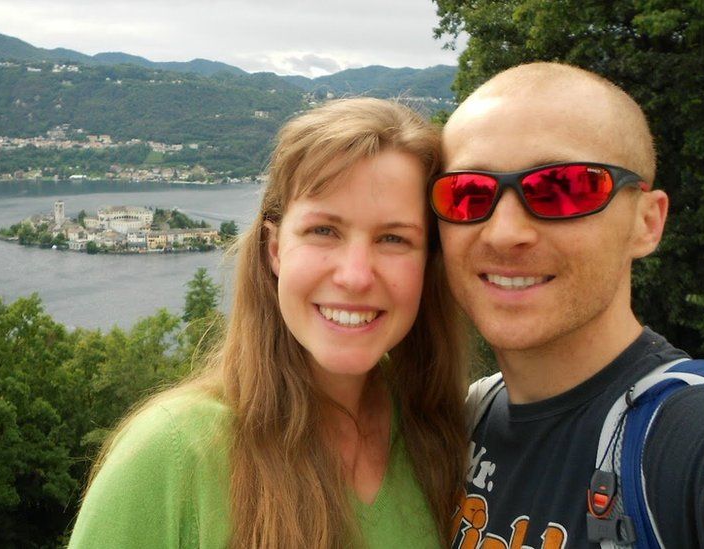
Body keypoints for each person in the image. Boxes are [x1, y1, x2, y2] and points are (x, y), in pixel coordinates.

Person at [68, 97, 469, 548]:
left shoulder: (441, 439)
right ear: (274, 248)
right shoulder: (173, 454)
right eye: (324, 231)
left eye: (394, 238)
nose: (355, 276)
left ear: (428, 262)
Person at [431, 62, 704, 547]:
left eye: (563, 189)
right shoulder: (464, 420)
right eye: (469, 194)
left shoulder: (686, 432)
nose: (506, 233)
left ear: (647, 222)